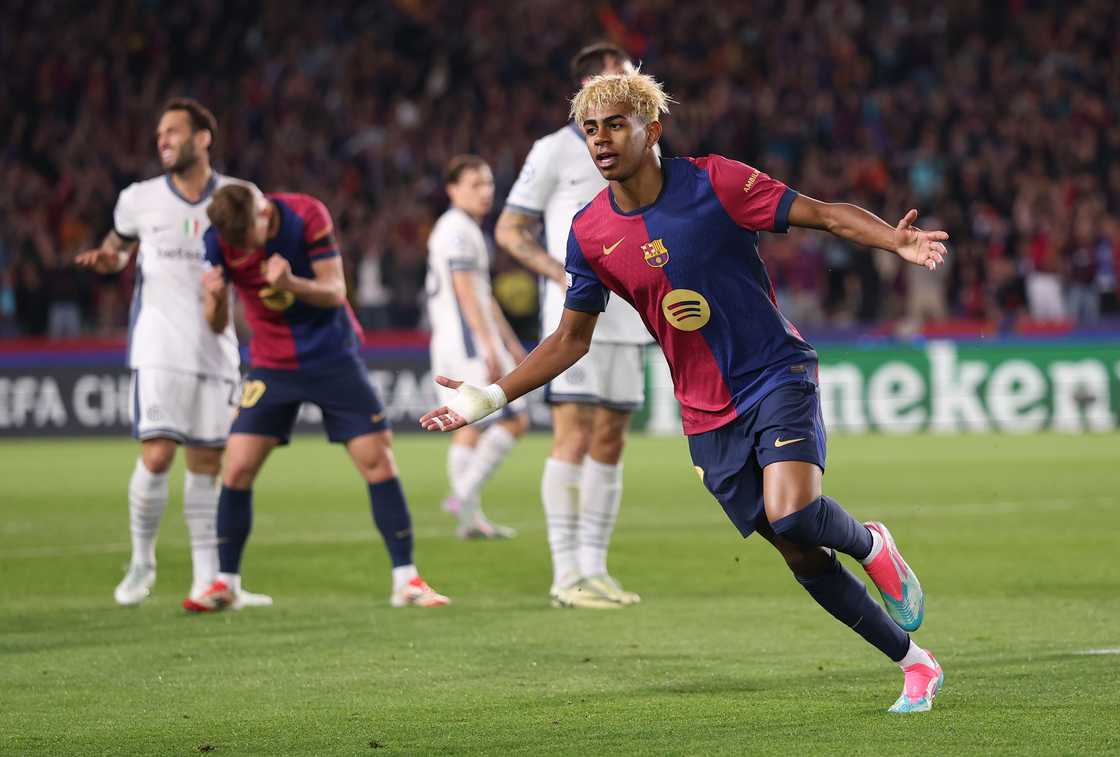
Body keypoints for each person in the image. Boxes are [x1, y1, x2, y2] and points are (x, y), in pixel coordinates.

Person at [422, 72, 948, 713]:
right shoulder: (590, 232)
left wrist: (893, 239)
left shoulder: (716, 182)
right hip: (703, 412)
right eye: (591, 129)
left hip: (774, 372)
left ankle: (871, 544)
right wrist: (490, 397)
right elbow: (569, 339)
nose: (601, 140)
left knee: (795, 513)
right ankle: (914, 663)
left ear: (653, 129)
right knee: (799, 553)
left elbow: (821, 214)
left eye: (616, 124)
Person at [187, 184, 448, 611]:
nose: (244, 251)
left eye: (248, 239)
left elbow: (334, 291)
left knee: (377, 460)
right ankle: (225, 583)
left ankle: (407, 580)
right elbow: (214, 324)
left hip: (332, 358)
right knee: (235, 467)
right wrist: (215, 299)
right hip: (271, 364)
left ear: (262, 213)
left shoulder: (305, 215)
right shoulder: (219, 236)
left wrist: (291, 282)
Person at [75, 98, 269, 610]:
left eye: (173, 131)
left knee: (207, 463)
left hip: (215, 346)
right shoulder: (138, 198)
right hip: (158, 345)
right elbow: (117, 246)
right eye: (159, 133)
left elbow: (260, 254)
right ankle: (142, 561)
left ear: (204, 138)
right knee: (158, 453)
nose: (162, 140)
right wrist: (108, 260)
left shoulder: (239, 197)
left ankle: (208, 580)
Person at [495, 43, 651, 608]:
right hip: (576, 316)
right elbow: (511, 229)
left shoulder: (642, 147)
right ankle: (565, 576)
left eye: (626, 77)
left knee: (611, 438)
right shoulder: (554, 150)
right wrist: (557, 273)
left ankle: (595, 568)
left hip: (631, 314)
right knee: (574, 434)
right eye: (608, 79)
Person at [426, 155, 529, 539]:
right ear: (452, 190)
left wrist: (512, 344)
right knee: (515, 419)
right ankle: (461, 494)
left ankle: (469, 521)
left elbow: (483, 296)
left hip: (457, 341)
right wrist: (489, 346)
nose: (485, 192)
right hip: (468, 343)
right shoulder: (457, 230)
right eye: (474, 184)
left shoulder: (462, 229)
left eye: (487, 183)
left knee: (467, 429)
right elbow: (467, 292)